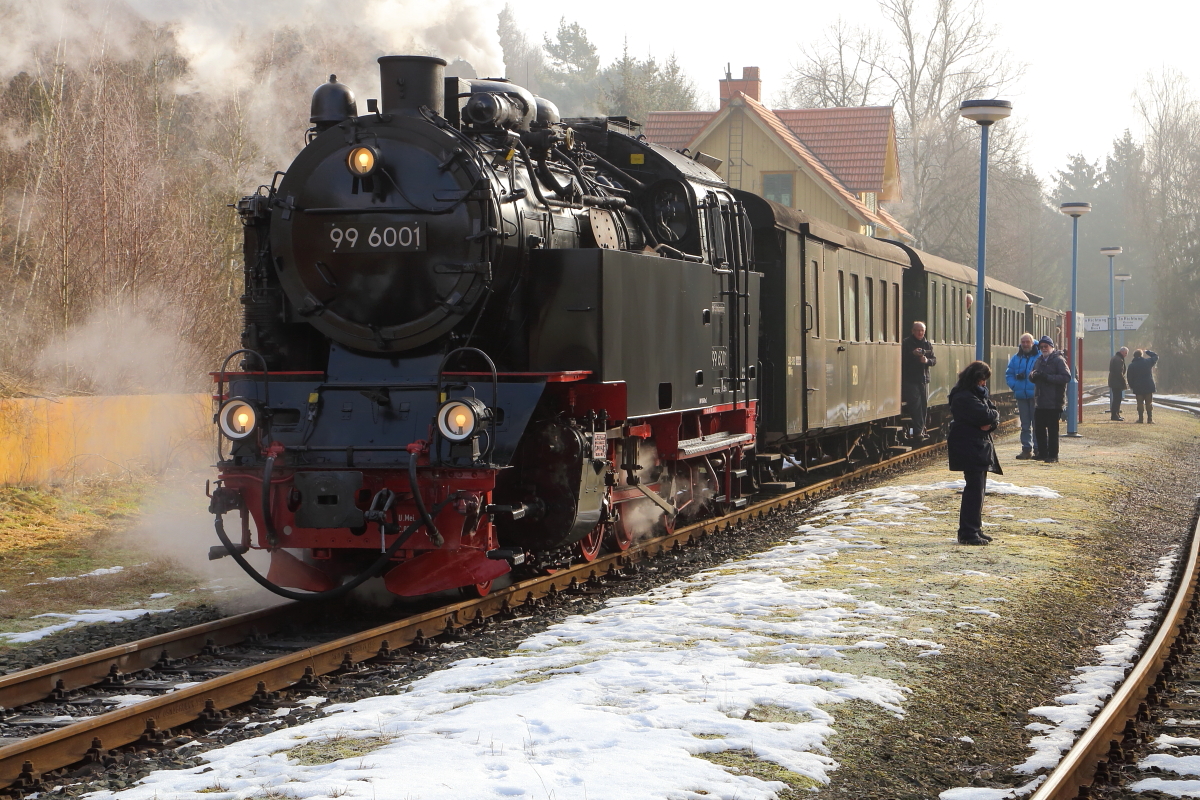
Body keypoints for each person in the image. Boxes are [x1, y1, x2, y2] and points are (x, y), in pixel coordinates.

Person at [947, 361, 1001, 546]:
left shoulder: (975, 394)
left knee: (978, 490)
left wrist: (991, 421)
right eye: (983, 380)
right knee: (974, 490)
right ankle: (968, 532)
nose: (985, 384)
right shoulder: (964, 397)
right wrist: (990, 419)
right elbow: (987, 415)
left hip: (977, 444)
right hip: (969, 445)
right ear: (976, 379)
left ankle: (974, 528)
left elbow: (992, 415)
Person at [1028, 335, 1072, 463]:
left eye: (1045, 346)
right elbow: (1032, 374)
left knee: (1053, 430)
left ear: (1051, 347)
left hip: (1054, 401)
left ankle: (1053, 455)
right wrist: (1033, 376)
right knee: (1039, 429)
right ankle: (1042, 453)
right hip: (1040, 401)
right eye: (1041, 347)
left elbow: (1066, 377)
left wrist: (1047, 377)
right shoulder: (1039, 360)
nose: (1043, 349)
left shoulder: (1058, 360)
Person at [1005, 332, 1039, 459]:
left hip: (1035, 395)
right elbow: (1009, 374)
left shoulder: (1038, 356)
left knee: (1037, 424)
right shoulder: (1016, 358)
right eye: (1023, 342)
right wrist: (1015, 386)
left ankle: (1038, 448)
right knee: (1025, 425)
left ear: (1032, 342)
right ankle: (1026, 449)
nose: (1025, 344)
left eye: (1027, 342)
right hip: (1021, 395)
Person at [901, 321, 936, 442]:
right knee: (915, 405)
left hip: (924, 379)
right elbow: (902, 358)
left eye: (922, 330)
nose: (920, 333)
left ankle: (921, 429)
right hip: (910, 379)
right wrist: (913, 354)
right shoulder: (906, 343)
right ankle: (918, 431)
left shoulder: (927, 344)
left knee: (924, 405)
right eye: (917, 330)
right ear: (912, 331)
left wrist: (926, 361)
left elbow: (934, 360)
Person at [1127, 348, 1159, 424]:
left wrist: (1132, 386)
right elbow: (1156, 356)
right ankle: (1150, 419)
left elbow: (1129, 378)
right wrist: (1148, 351)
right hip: (1148, 386)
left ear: (1134, 356)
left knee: (1140, 403)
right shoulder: (1148, 362)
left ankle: (1140, 419)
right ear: (1141, 355)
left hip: (1138, 387)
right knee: (1149, 403)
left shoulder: (1132, 365)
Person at [1108, 346, 1129, 421]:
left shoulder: (1115, 358)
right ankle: (1114, 415)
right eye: (1125, 353)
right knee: (1117, 399)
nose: (1126, 355)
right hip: (1117, 382)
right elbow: (1119, 372)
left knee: (1117, 399)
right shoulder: (1118, 360)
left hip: (1114, 381)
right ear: (1122, 352)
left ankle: (1116, 414)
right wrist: (1124, 382)